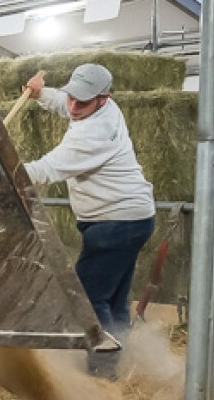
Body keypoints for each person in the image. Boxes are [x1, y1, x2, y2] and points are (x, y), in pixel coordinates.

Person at [22, 64, 156, 379]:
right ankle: (124, 361)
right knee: (114, 298)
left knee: (86, 300)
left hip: (115, 223)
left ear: (102, 98)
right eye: (71, 97)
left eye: (81, 102)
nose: (73, 106)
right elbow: (65, 105)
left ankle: (103, 373)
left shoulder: (92, 134)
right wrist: (42, 94)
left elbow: (45, 170)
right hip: (133, 217)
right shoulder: (101, 109)